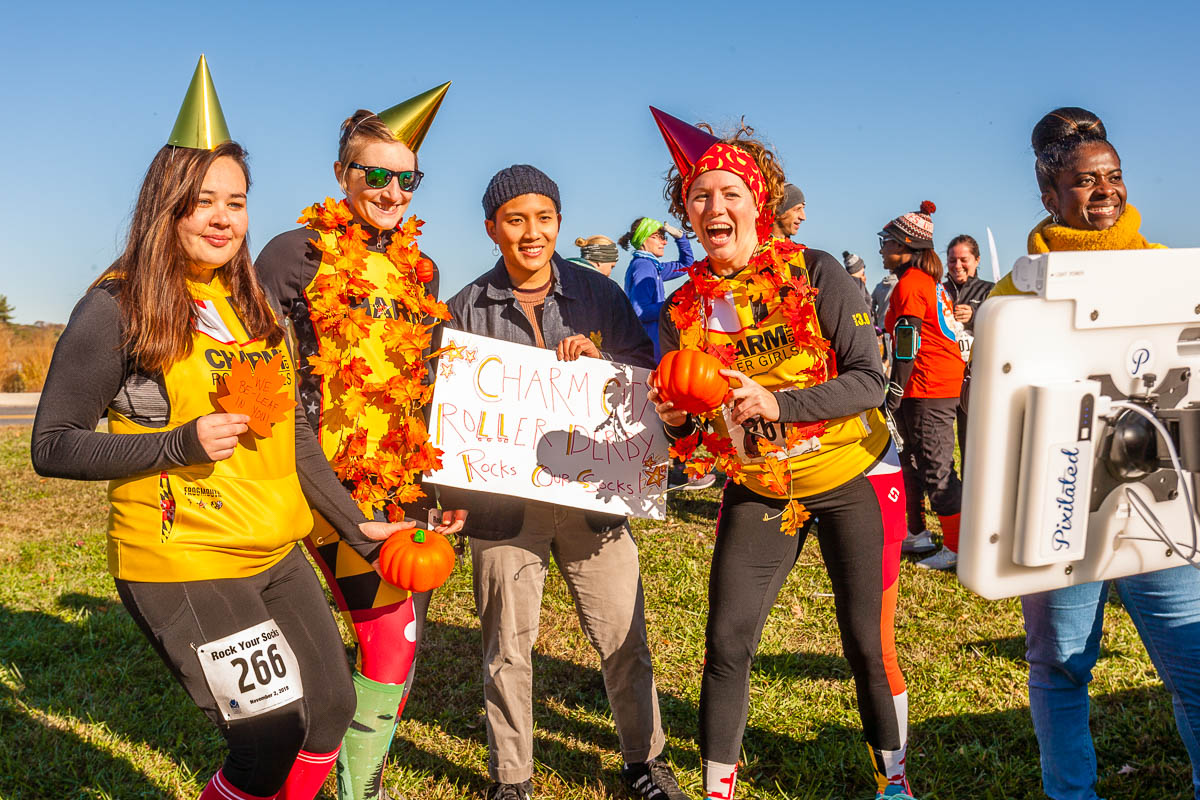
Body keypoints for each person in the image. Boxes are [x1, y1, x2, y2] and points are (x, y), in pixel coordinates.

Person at [30, 57, 411, 800]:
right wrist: (180, 442)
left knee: (330, 710)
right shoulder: (117, 306)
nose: (222, 218)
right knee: (267, 735)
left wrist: (358, 526)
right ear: (165, 206)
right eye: (202, 201)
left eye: (236, 202)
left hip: (274, 548)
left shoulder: (251, 305)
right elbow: (52, 444)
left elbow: (290, 436)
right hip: (184, 558)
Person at [647, 107, 913, 800]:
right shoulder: (682, 311)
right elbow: (697, 433)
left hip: (853, 473)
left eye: (730, 194)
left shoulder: (817, 271)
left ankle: (894, 782)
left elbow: (869, 381)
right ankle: (717, 790)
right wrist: (677, 423)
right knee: (727, 641)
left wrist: (779, 402)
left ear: (759, 203)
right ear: (686, 212)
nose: (715, 208)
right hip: (762, 485)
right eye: (700, 196)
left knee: (866, 641)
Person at [440, 165, 685, 800]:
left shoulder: (599, 294)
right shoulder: (464, 307)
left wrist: (604, 366)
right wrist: (452, 494)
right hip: (502, 507)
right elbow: (449, 411)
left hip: (591, 500)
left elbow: (645, 375)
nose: (532, 233)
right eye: (515, 220)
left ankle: (645, 760)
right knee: (506, 648)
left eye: (544, 219)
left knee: (623, 637)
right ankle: (511, 777)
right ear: (492, 228)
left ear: (558, 223)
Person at [255, 83, 468, 800]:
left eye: (407, 179)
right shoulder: (293, 255)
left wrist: (436, 491)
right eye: (375, 174)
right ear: (341, 174)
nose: (391, 192)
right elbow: (255, 377)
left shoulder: (421, 270)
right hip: (304, 478)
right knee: (311, 660)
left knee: (393, 645)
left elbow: (428, 387)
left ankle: (357, 788)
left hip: (389, 485)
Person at [993, 106, 1200, 800]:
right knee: (1061, 665)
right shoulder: (1017, 292)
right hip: (1060, 502)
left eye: (1113, 175)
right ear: (1049, 193)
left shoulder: (1171, 273)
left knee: (1194, 663)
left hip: (1160, 498)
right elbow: (999, 409)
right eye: (1085, 180)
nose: (1105, 190)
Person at [880, 202, 967, 571]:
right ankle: (915, 532)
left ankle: (958, 548)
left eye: (886, 241)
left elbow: (907, 340)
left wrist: (895, 389)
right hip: (926, 383)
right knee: (912, 460)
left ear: (906, 245)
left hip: (929, 385)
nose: (881, 249)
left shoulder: (912, 283)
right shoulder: (922, 282)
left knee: (936, 467)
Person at [942, 234, 993, 457]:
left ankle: (970, 478)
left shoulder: (989, 290)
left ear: (977, 260)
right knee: (941, 444)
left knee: (972, 443)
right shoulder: (939, 290)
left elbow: (1001, 325)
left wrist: (975, 315)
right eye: (952, 260)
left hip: (974, 375)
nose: (957, 266)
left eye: (964, 260)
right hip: (944, 375)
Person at [619, 215, 694, 359]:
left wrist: (681, 238)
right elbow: (640, 311)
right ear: (643, 239)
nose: (664, 242)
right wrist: (673, 305)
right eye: (657, 237)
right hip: (649, 348)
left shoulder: (652, 266)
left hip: (651, 345)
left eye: (664, 237)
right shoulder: (644, 267)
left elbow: (686, 265)